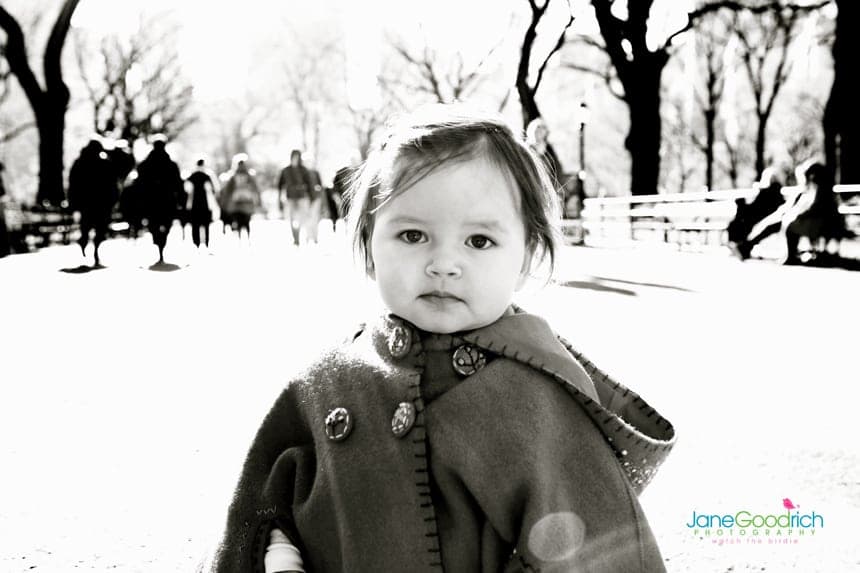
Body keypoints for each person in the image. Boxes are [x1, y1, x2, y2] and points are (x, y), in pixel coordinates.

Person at [211, 104, 676, 573]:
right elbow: (267, 501)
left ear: (528, 257)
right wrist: (280, 555)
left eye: (479, 241)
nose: (443, 264)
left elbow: (599, 546)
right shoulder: (329, 379)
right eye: (412, 235)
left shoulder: (538, 398)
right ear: (370, 245)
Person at [736, 161, 848, 264]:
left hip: (822, 223)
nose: (807, 178)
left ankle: (788, 256)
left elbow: (815, 209)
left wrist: (795, 215)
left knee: (788, 225)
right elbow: (794, 207)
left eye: (808, 175)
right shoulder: (809, 189)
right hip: (810, 221)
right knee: (776, 223)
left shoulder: (821, 189)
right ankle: (747, 246)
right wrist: (789, 214)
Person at [66, 139, 119, 266]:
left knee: (89, 226)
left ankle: (88, 244)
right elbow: (112, 184)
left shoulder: (81, 163)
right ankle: (92, 247)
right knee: (97, 228)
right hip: (98, 202)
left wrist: (73, 201)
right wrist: (113, 199)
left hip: (90, 202)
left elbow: (73, 184)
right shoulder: (103, 163)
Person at [136, 135, 184, 264]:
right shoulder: (171, 164)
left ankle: (158, 242)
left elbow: (139, 183)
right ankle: (161, 244)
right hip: (167, 200)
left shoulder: (145, 164)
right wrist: (181, 200)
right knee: (166, 223)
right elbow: (179, 184)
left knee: (153, 223)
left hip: (150, 200)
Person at [727, 167, 786, 260]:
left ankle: (741, 247)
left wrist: (741, 205)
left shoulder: (766, 192)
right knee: (741, 222)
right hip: (765, 218)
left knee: (740, 222)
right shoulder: (774, 191)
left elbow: (755, 207)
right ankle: (742, 247)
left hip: (763, 218)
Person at [277, 150, 314, 246]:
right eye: (294, 156)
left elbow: (310, 185)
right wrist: (280, 200)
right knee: (293, 219)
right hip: (291, 198)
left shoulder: (304, 170)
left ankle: (305, 236)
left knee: (303, 219)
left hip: (302, 198)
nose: (295, 159)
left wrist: (311, 197)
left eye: (297, 157)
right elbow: (280, 186)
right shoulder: (285, 170)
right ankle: (296, 238)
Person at [221, 153, 261, 241]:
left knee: (239, 221)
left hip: (236, 203)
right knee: (247, 221)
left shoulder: (233, 175)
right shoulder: (249, 175)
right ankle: (247, 238)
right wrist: (257, 200)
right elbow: (255, 188)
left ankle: (240, 238)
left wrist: (225, 202)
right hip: (247, 202)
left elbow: (227, 190)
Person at [185, 157, 220, 249]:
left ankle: (196, 243)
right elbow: (215, 189)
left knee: (195, 224)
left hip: (194, 203)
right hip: (205, 203)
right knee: (206, 223)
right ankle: (206, 243)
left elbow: (186, 188)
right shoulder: (207, 175)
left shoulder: (192, 175)